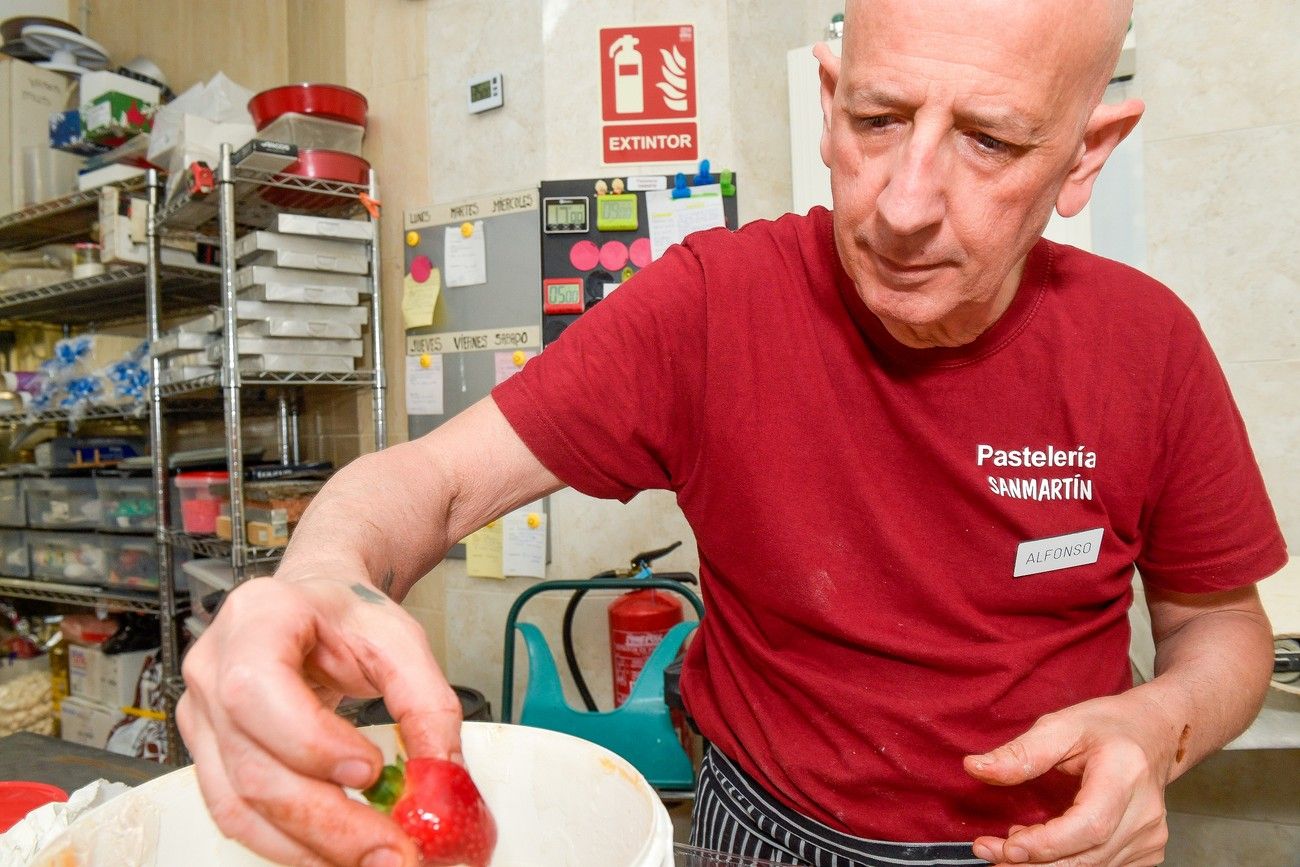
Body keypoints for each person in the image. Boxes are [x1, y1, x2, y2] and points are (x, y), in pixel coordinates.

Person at [177, 0, 1287, 865]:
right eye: (878, 120)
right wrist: (320, 576)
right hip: (760, 835)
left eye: (989, 142)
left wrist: (1159, 728)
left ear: (1087, 153)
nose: (903, 205)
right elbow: (432, 481)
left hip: (1051, 852)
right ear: (826, 95)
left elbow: (1222, 633)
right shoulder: (715, 306)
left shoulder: (1146, 347)